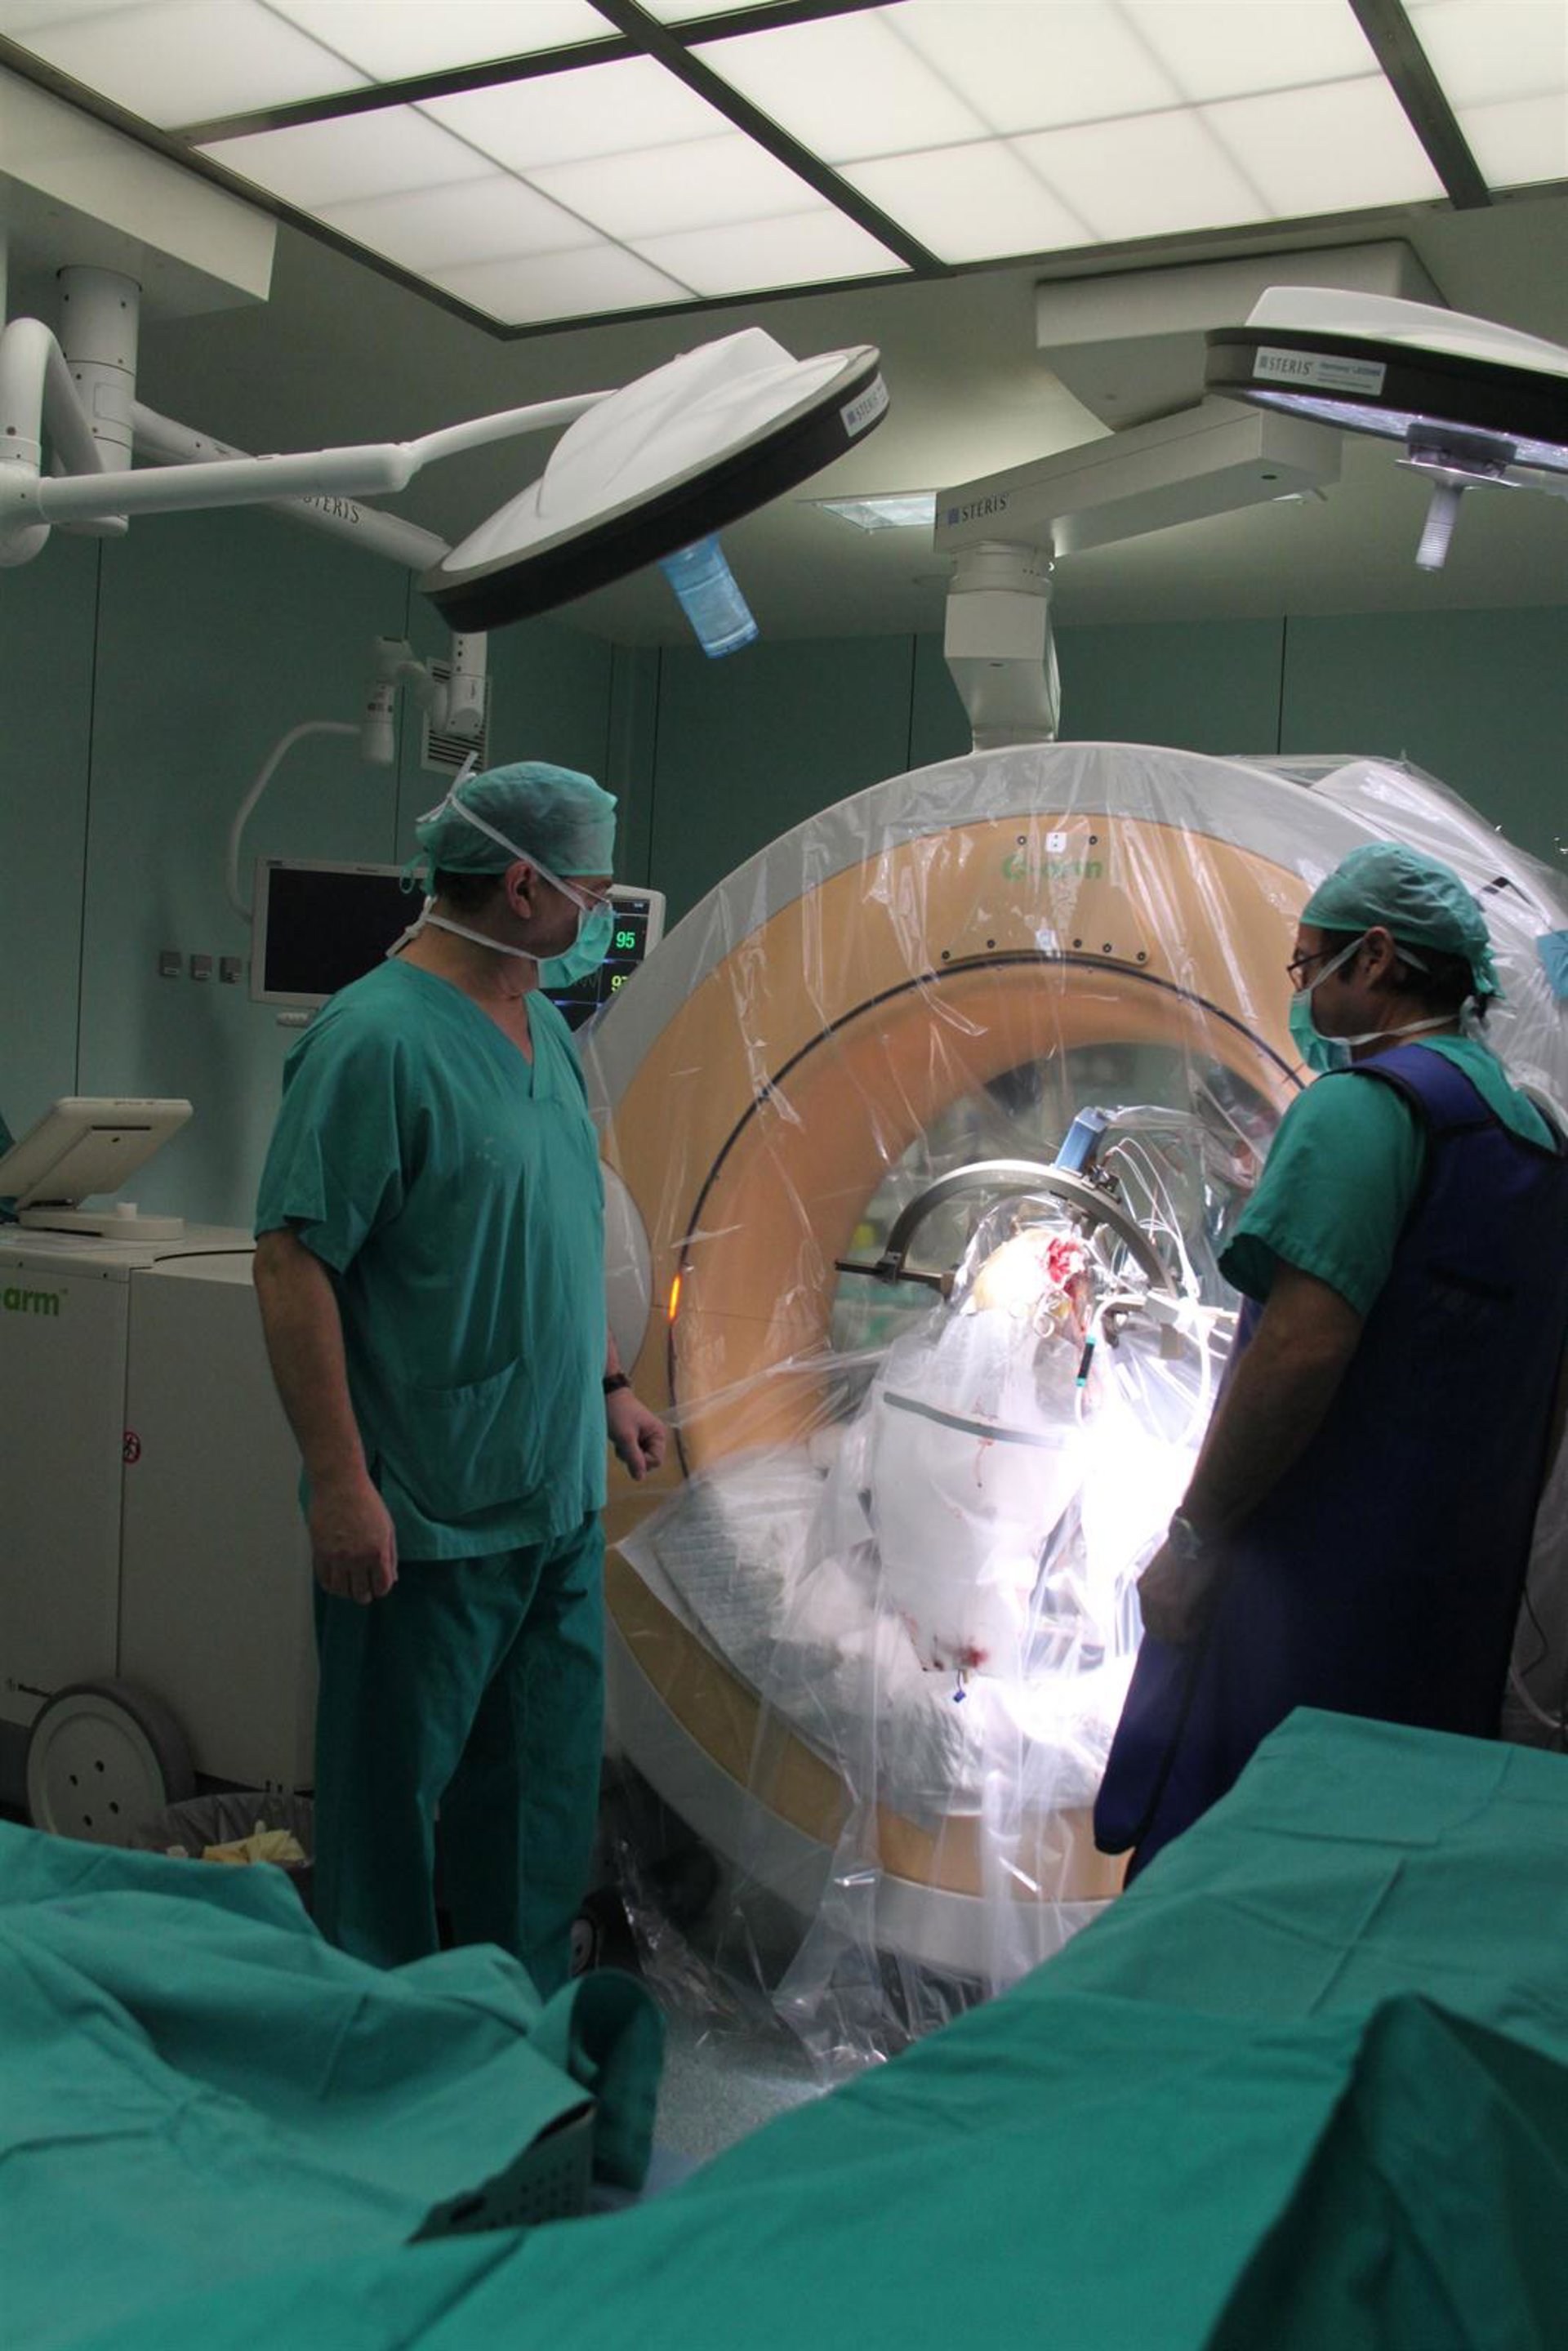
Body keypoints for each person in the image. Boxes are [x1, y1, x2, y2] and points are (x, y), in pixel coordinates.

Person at [253, 759, 666, 1993]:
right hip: (426, 1511)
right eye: (591, 890)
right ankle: (377, 2042)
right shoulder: (373, 1040)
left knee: (536, 1809)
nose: (601, 914)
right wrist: (342, 1484)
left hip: (554, 1501)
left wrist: (607, 1385)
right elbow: (291, 1262)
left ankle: (508, 2038)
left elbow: (559, 1223)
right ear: (524, 885)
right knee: (388, 1817)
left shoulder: (546, 1029)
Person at [1094, 842, 1568, 1881]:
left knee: (1237, 1869)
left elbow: (1300, 1348)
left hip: (1307, 1598)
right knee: (1372, 1881)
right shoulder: (1535, 1135)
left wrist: (1192, 1537)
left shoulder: (1362, 1108)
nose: (1303, 991)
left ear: (1377, 956)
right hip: (1455, 1606)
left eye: (1309, 963)